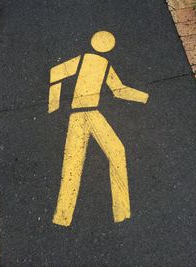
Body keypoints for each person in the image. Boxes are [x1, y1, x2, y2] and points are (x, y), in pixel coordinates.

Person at [48, 31, 149, 226]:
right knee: (73, 164)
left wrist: (144, 97)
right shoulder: (83, 59)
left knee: (116, 151)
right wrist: (54, 105)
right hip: (79, 115)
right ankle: (62, 217)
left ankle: (121, 211)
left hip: (92, 113)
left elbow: (119, 90)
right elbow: (55, 72)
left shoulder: (104, 64)